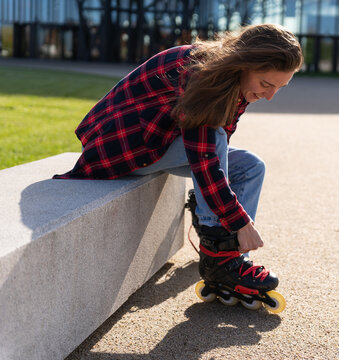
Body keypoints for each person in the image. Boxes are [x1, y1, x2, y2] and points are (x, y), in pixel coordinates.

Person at [54, 24, 303, 310]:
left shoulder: (237, 80)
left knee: (250, 166)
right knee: (215, 139)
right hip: (119, 150)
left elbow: (210, 152)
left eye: (279, 88)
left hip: (159, 143)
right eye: (266, 84)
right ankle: (219, 251)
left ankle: (227, 258)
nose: (270, 96)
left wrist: (214, 200)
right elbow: (206, 158)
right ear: (244, 63)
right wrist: (238, 222)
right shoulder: (202, 74)